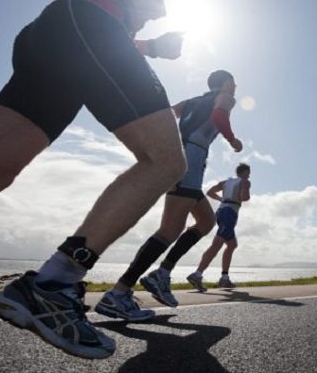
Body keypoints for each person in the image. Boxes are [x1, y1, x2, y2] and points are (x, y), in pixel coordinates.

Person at [0, 0, 214, 359]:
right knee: (165, 161)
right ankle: (54, 284)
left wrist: (150, 46)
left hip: (64, 29)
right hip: (89, 22)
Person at [95, 69, 243, 319]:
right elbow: (219, 115)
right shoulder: (226, 97)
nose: (236, 86)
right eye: (233, 82)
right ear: (226, 83)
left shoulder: (190, 102)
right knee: (170, 230)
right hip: (190, 161)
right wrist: (232, 140)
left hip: (180, 157)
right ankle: (119, 293)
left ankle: (161, 274)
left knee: (207, 222)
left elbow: (163, 115)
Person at [186, 163, 252, 291]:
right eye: (249, 173)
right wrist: (245, 190)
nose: (249, 175)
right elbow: (245, 197)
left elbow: (210, 192)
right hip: (230, 213)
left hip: (221, 212)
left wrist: (221, 198)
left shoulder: (226, 182)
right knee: (217, 244)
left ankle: (224, 278)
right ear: (245, 172)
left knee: (232, 245)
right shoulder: (245, 181)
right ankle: (197, 274)